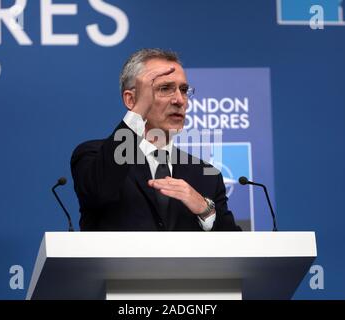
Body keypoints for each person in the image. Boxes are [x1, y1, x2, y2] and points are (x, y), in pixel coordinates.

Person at [71, 48, 241, 231]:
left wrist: (205, 210)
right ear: (130, 100)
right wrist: (139, 108)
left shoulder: (206, 175)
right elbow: (99, 192)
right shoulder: (94, 155)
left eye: (183, 90)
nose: (179, 100)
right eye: (165, 88)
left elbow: (236, 249)